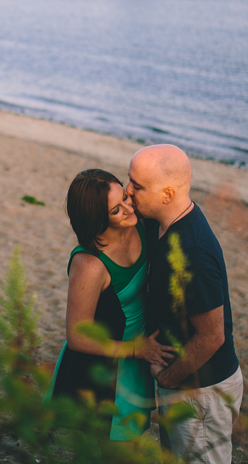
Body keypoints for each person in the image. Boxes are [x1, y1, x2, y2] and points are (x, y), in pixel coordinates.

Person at [125, 145, 242, 464]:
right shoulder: (158, 223)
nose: (128, 191)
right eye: (129, 180)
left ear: (167, 194)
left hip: (201, 388)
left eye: (137, 186)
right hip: (180, 380)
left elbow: (211, 336)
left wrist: (169, 378)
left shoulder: (193, 251)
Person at [46, 169, 176, 442]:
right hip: (112, 361)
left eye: (126, 197)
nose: (130, 209)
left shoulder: (139, 224)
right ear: (96, 220)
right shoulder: (90, 265)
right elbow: (77, 337)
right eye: (116, 210)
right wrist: (135, 351)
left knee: (133, 440)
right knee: (113, 447)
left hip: (142, 349)